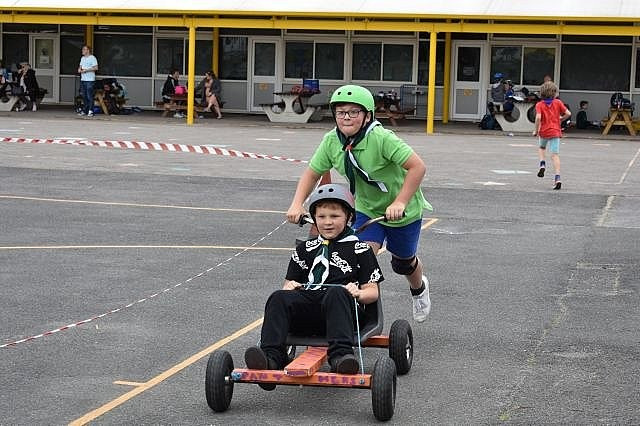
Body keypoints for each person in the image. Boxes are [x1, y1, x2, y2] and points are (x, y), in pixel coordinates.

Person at [286, 84, 433, 323]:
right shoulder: (331, 141)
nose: (346, 117)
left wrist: (400, 202)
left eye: (354, 112)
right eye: (341, 112)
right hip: (366, 208)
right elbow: (312, 174)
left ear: (367, 116)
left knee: (403, 263)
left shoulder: (382, 138)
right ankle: (357, 314)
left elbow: (418, 167)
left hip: (402, 210)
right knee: (359, 255)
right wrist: (296, 204)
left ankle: (419, 289)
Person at [245, 184, 384, 387]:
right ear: (314, 219)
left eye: (334, 216)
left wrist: (358, 293)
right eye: (322, 217)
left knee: (336, 293)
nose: (327, 222)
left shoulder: (360, 249)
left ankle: (341, 357)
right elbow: (287, 286)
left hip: (345, 314)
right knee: (278, 297)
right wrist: (290, 288)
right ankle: (271, 358)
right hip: (309, 314)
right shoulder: (305, 249)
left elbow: (372, 292)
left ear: (349, 217)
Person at [533, 81, 571, 190]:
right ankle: (557, 178)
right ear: (554, 93)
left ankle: (542, 164)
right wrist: (561, 119)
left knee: (542, 148)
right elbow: (568, 113)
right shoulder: (558, 102)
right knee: (555, 155)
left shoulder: (539, 104)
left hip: (544, 131)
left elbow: (538, 117)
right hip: (555, 131)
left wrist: (536, 130)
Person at [78, 45, 98, 117]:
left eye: (84, 49)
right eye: (82, 49)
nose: (82, 50)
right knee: (84, 96)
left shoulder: (92, 58)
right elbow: (80, 67)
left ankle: (91, 110)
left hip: (90, 80)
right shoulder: (82, 58)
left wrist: (86, 70)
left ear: (88, 50)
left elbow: (96, 68)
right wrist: (79, 70)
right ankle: (85, 110)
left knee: (89, 96)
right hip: (83, 79)